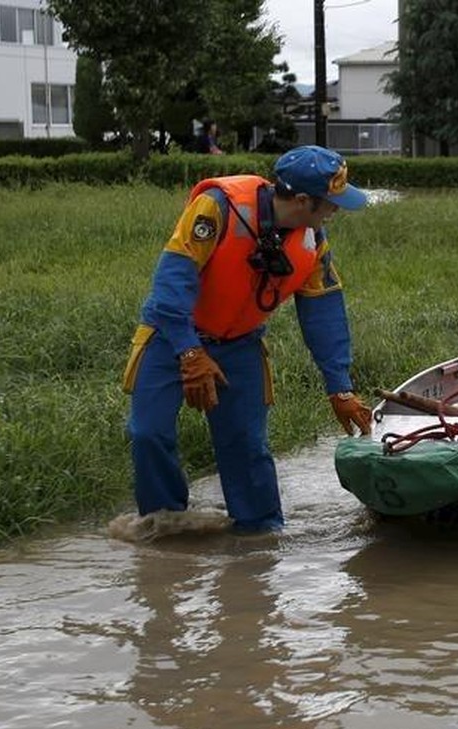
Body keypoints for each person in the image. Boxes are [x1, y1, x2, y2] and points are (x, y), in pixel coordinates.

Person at [121, 144, 373, 533]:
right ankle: (164, 524)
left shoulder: (313, 242)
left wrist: (339, 388)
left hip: (240, 343)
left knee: (247, 446)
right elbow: (171, 285)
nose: (336, 210)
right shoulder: (216, 208)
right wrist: (190, 353)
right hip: (171, 334)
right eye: (331, 202)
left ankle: (259, 540)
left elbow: (324, 315)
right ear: (303, 200)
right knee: (147, 433)